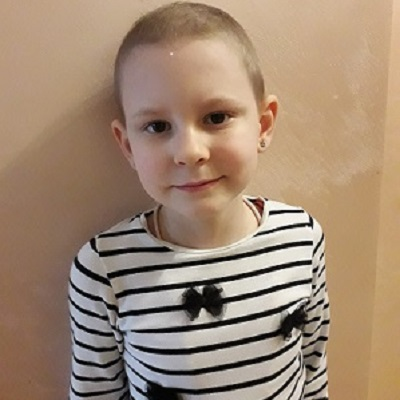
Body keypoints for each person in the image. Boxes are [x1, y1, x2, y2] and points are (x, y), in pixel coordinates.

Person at [68, 2, 330, 399]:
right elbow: (95, 392)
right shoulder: (104, 270)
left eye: (216, 117)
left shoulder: (302, 239)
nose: (190, 152)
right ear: (128, 145)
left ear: (263, 125)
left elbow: (313, 366)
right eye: (157, 126)